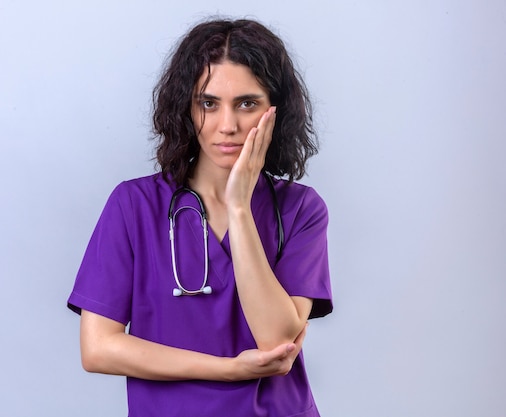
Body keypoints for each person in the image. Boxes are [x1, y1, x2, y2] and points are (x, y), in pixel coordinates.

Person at [68, 17, 333, 417]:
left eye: (247, 103)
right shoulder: (134, 205)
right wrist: (226, 370)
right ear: (186, 109)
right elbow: (98, 348)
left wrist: (240, 207)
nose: (227, 126)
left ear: (275, 111)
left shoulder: (300, 210)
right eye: (208, 103)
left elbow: (277, 342)